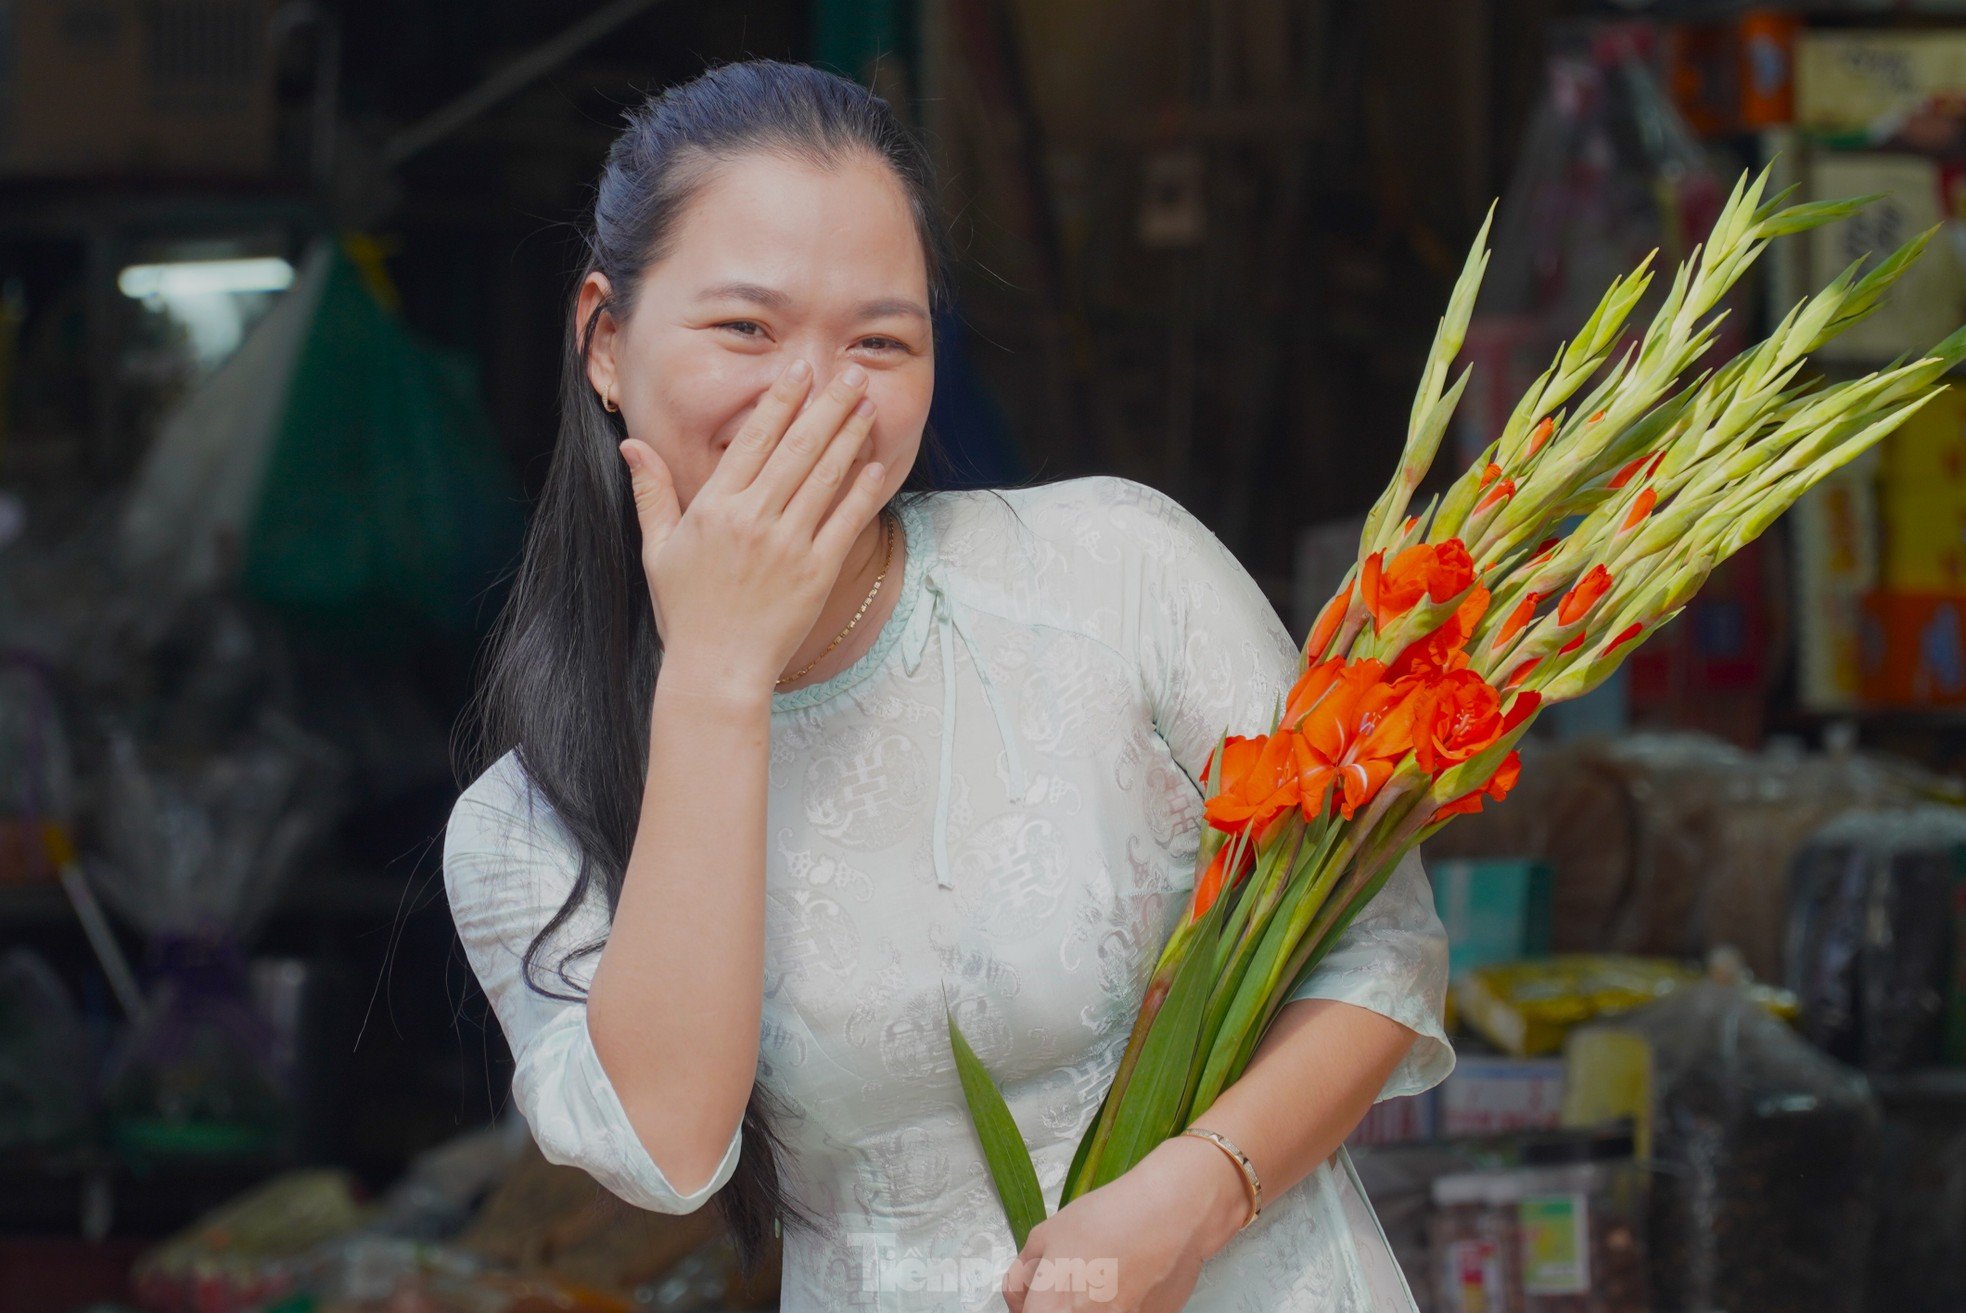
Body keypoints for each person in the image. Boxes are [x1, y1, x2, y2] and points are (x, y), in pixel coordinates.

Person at [443, 57, 1453, 1312]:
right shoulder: (517, 824)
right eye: (745, 328)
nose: (813, 395)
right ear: (604, 337)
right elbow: (667, 1147)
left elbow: (1380, 950)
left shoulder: (1119, 570)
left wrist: (1198, 1189)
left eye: (880, 339)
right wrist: (715, 669)